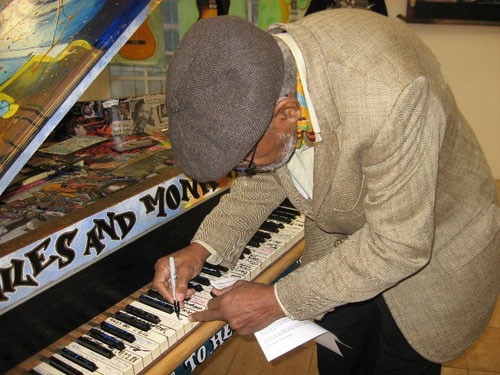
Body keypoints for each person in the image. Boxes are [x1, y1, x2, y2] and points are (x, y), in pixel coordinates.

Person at [152, 10, 500, 375]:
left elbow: (399, 244)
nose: (244, 173)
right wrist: (202, 247)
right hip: (343, 247)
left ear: (288, 113)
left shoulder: (390, 93)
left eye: (243, 162)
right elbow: (270, 170)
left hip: (431, 247)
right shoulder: (263, 72)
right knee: (339, 363)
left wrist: (277, 299)